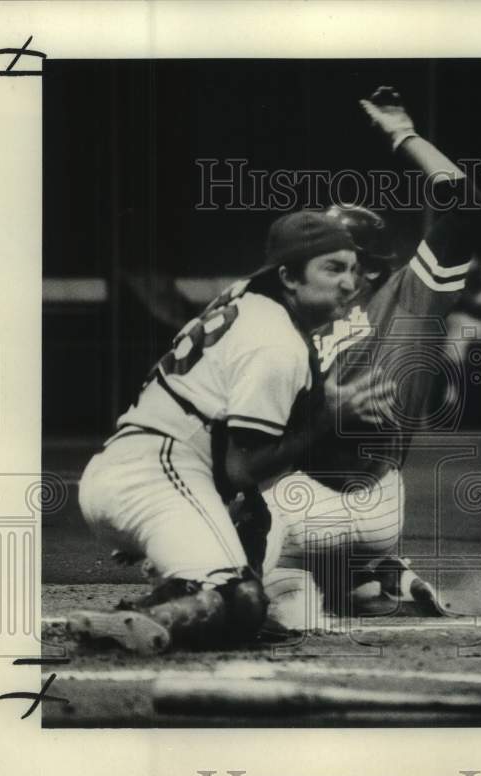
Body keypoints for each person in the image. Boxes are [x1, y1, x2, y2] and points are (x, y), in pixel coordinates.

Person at [68, 210, 358, 653]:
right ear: (289, 277)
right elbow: (242, 468)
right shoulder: (275, 341)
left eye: (353, 269)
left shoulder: (246, 303)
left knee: (253, 518)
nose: (349, 283)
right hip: (158, 474)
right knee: (240, 600)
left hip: (139, 470)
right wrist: (324, 420)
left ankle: (174, 591)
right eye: (333, 268)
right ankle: (146, 621)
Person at [257, 87, 481, 626]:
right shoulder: (412, 293)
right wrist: (402, 135)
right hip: (383, 498)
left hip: (303, 501)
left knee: (242, 518)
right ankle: (376, 576)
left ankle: (272, 579)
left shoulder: (294, 312)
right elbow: (466, 199)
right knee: (353, 594)